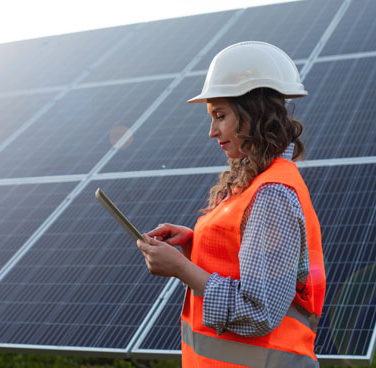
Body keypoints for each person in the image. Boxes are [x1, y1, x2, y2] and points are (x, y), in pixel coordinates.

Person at [137, 41, 326, 368]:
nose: (212, 132)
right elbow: (245, 256)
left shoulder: (272, 194)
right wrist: (194, 244)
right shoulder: (253, 183)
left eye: (220, 115)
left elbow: (258, 312)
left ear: (254, 112)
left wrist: (181, 269)